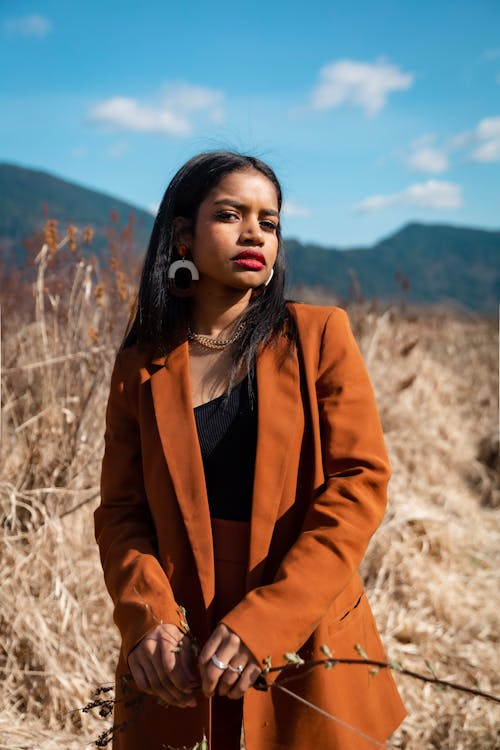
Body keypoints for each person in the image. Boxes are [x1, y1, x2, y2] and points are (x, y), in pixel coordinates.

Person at [94, 151, 406, 750]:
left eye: (269, 221)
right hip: (181, 637)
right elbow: (120, 513)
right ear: (183, 233)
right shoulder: (142, 363)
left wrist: (270, 618)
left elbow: (359, 485)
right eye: (231, 214)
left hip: (303, 623)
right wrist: (149, 619)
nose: (254, 234)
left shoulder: (318, 336)